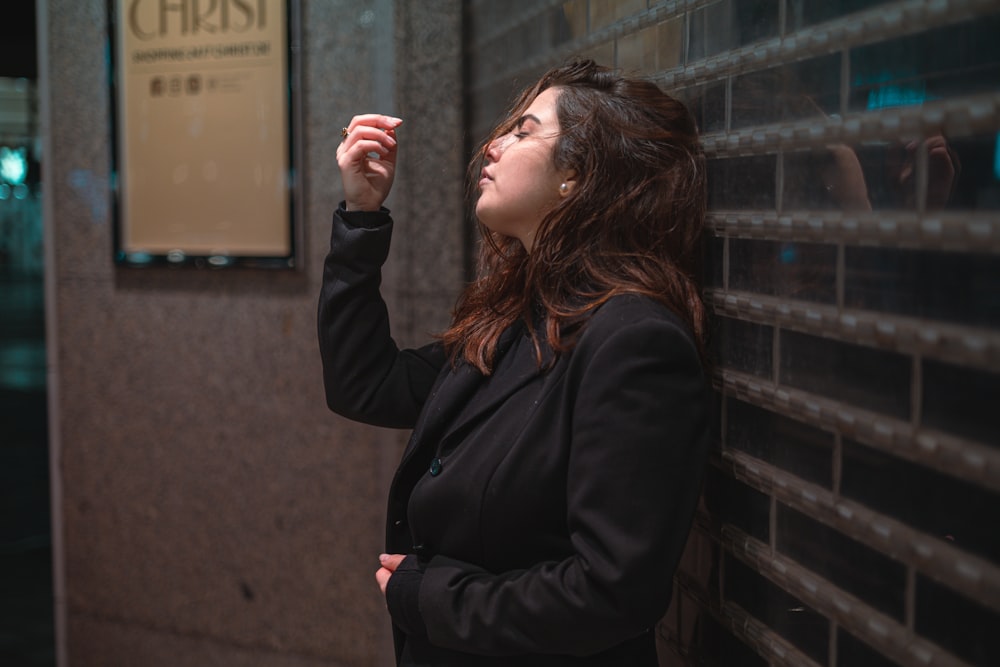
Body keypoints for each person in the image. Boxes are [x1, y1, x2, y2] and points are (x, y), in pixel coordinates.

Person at [318, 59, 711, 666]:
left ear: (578, 176)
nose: (492, 146)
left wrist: (432, 600)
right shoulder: (521, 315)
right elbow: (365, 385)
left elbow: (614, 593)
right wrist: (361, 216)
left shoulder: (634, 342)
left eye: (524, 131)